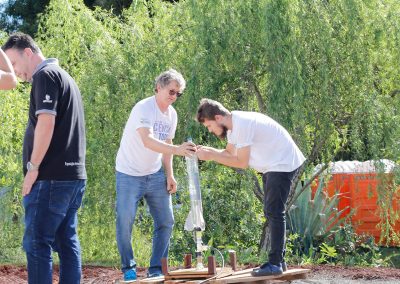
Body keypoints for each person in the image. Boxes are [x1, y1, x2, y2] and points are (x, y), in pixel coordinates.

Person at [3, 33, 87, 284]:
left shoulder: (45, 75)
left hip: (50, 177)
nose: (15, 72)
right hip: (73, 176)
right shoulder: (66, 77)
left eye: (14, 64)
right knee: (66, 242)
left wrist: (33, 168)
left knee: (37, 243)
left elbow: (46, 122)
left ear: (27, 52)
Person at [195, 98, 305, 276]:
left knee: (274, 211)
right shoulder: (233, 127)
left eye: (209, 126)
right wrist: (208, 151)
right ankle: (279, 262)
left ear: (218, 118)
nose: (210, 131)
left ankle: (275, 263)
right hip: (272, 164)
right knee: (272, 212)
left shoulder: (242, 125)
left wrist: (211, 156)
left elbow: (241, 162)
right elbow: (230, 153)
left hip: (281, 162)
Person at [115, 69, 196, 281]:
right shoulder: (143, 108)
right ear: (158, 87)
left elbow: (167, 147)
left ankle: (156, 268)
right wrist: (179, 149)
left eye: (178, 94)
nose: (174, 96)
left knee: (166, 221)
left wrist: (170, 174)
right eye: (171, 91)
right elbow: (148, 141)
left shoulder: (172, 115)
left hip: (154, 173)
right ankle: (128, 267)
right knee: (125, 220)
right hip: (129, 173)